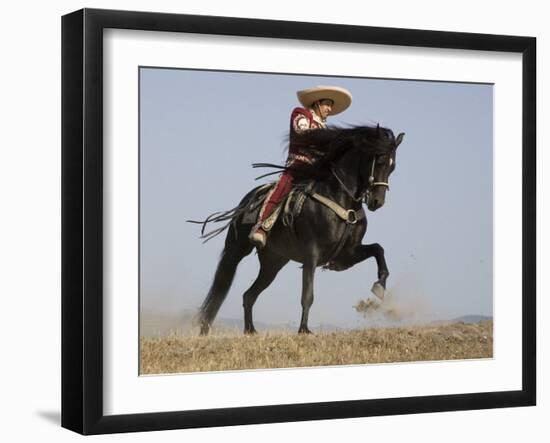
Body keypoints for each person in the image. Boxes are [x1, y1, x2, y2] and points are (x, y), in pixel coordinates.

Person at [249, 85, 352, 249]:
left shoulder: (325, 128)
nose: (329, 108)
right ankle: (263, 226)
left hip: (318, 172)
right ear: (317, 103)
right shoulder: (300, 114)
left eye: (331, 105)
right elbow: (302, 133)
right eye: (327, 104)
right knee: (284, 186)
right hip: (298, 166)